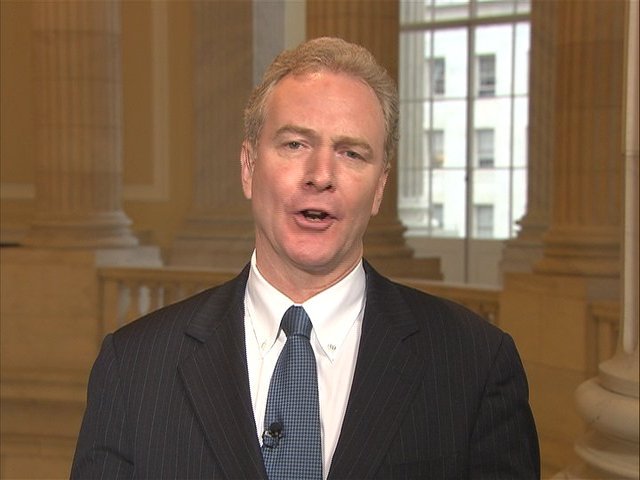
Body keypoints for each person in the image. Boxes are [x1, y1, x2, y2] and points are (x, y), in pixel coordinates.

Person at [71, 37, 539, 479]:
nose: (320, 175)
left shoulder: (475, 365)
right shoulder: (133, 367)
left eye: (351, 153)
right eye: (295, 144)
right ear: (248, 167)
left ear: (379, 187)